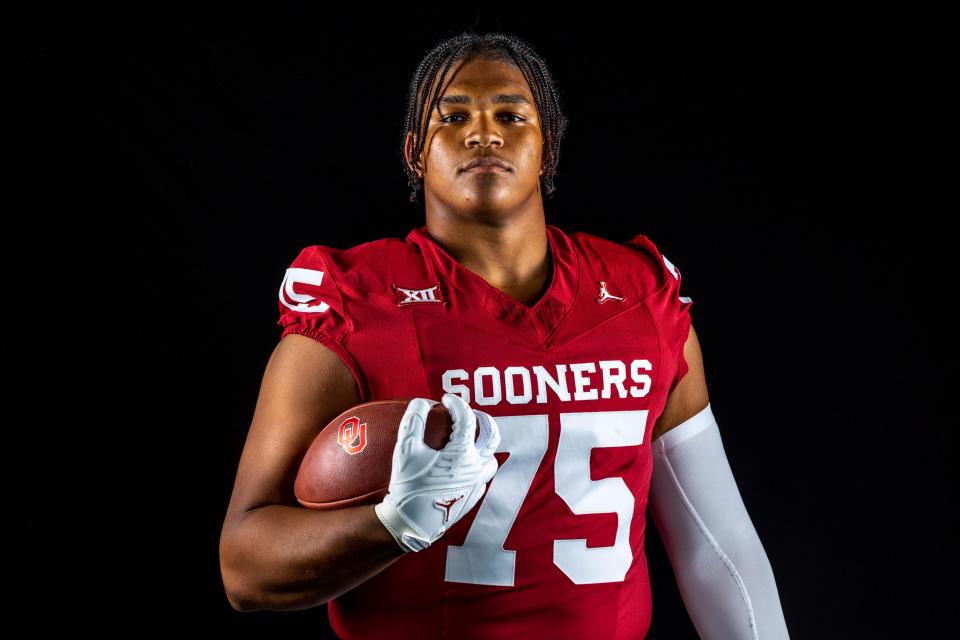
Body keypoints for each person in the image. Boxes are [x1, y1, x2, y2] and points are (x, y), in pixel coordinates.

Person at [219, 31, 790, 640]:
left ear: (547, 149)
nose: (483, 132)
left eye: (511, 115)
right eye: (454, 115)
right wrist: (391, 525)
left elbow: (717, 545)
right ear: (415, 153)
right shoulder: (357, 306)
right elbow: (245, 568)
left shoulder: (639, 299)